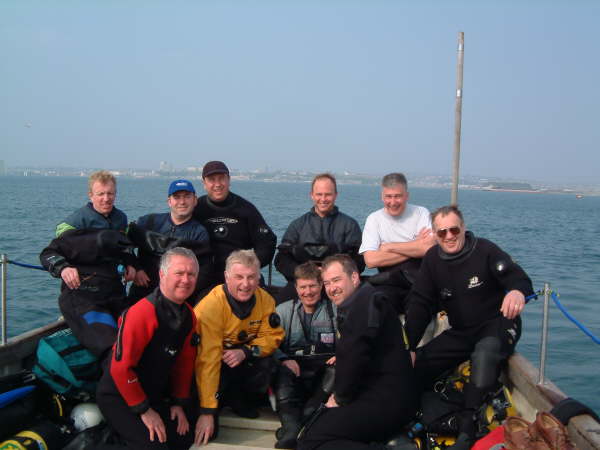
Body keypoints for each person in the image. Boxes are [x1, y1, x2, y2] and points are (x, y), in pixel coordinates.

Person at [405, 205, 534, 449]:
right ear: (435, 234)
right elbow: (420, 304)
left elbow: (519, 278)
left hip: (496, 324)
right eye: (442, 232)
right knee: (416, 364)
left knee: (484, 355)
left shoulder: (485, 250)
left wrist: (516, 292)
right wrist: (409, 346)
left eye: (454, 230)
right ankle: (413, 413)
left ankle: (467, 428)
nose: (449, 236)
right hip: (462, 331)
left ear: (463, 228)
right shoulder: (432, 260)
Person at [297, 255, 418, 450]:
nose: (331, 288)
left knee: (311, 440)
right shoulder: (367, 299)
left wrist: (339, 398)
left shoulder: (363, 306)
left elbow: (354, 355)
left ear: (354, 277)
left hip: (387, 401)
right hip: (383, 393)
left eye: (336, 280)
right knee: (314, 426)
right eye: (327, 283)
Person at [96, 247, 199, 450]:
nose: (186, 280)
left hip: (152, 393)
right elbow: (121, 369)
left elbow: (184, 364)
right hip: (119, 395)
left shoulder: (188, 315)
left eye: (191, 274)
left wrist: (178, 403)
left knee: (185, 438)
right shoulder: (142, 313)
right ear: (162, 274)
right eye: (179, 273)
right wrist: (143, 410)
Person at [39, 170, 136, 357]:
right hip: (85, 291)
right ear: (90, 195)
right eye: (101, 194)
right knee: (112, 345)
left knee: (135, 334)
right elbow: (52, 251)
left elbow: (125, 247)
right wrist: (64, 268)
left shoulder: (120, 218)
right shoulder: (77, 221)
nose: (106, 199)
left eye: (110, 193)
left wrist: (131, 264)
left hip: (114, 290)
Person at [193, 249, 284, 446]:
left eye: (251, 277)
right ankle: (216, 402)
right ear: (227, 277)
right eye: (239, 277)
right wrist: (207, 411)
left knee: (267, 365)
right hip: (214, 365)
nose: (246, 284)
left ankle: (239, 399)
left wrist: (246, 351)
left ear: (259, 278)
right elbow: (206, 362)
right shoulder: (210, 307)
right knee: (211, 434)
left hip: (243, 360)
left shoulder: (265, 300)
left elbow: (272, 337)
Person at [273, 262, 337, 449]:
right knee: (279, 368)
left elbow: (351, 340)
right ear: (296, 288)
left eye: (312, 286)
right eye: (303, 287)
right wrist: (284, 358)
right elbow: (269, 344)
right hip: (294, 373)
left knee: (340, 368)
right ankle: (291, 427)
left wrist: (342, 354)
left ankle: (306, 419)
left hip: (324, 378)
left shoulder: (335, 311)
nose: (308, 292)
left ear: (321, 286)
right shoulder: (282, 311)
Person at [274, 173, 364, 303]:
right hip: (305, 282)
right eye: (319, 194)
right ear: (312, 195)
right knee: (279, 306)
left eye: (328, 194)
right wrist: (305, 274)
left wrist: (331, 274)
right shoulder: (298, 225)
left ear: (335, 195)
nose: (323, 199)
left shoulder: (350, 225)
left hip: (337, 285)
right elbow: (281, 259)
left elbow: (359, 260)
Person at [192, 161, 276, 291]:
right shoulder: (196, 208)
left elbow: (267, 243)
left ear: (229, 180)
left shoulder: (246, 209)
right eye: (212, 180)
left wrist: (248, 267)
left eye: (221, 178)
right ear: (204, 183)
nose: (217, 184)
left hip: (241, 277)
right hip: (205, 277)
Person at [127, 179, 212, 306]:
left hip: (176, 300)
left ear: (195, 200)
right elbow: (124, 245)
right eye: (177, 197)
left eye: (187, 197)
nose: (182, 202)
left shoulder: (199, 233)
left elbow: (204, 271)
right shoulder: (148, 222)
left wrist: (182, 291)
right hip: (142, 293)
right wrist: (136, 268)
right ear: (169, 201)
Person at [359, 172, 435, 312]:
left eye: (398, 196)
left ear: (407, 196)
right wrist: (415, 246)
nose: (393, 202)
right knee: (374, 303)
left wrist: (389, 247)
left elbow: (428, 248)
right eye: (388, 196)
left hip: (418, 281)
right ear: (382, 197)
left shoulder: (421, 213)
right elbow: (370, 260)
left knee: (418, 308)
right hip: (389, 282)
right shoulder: (374, 219)